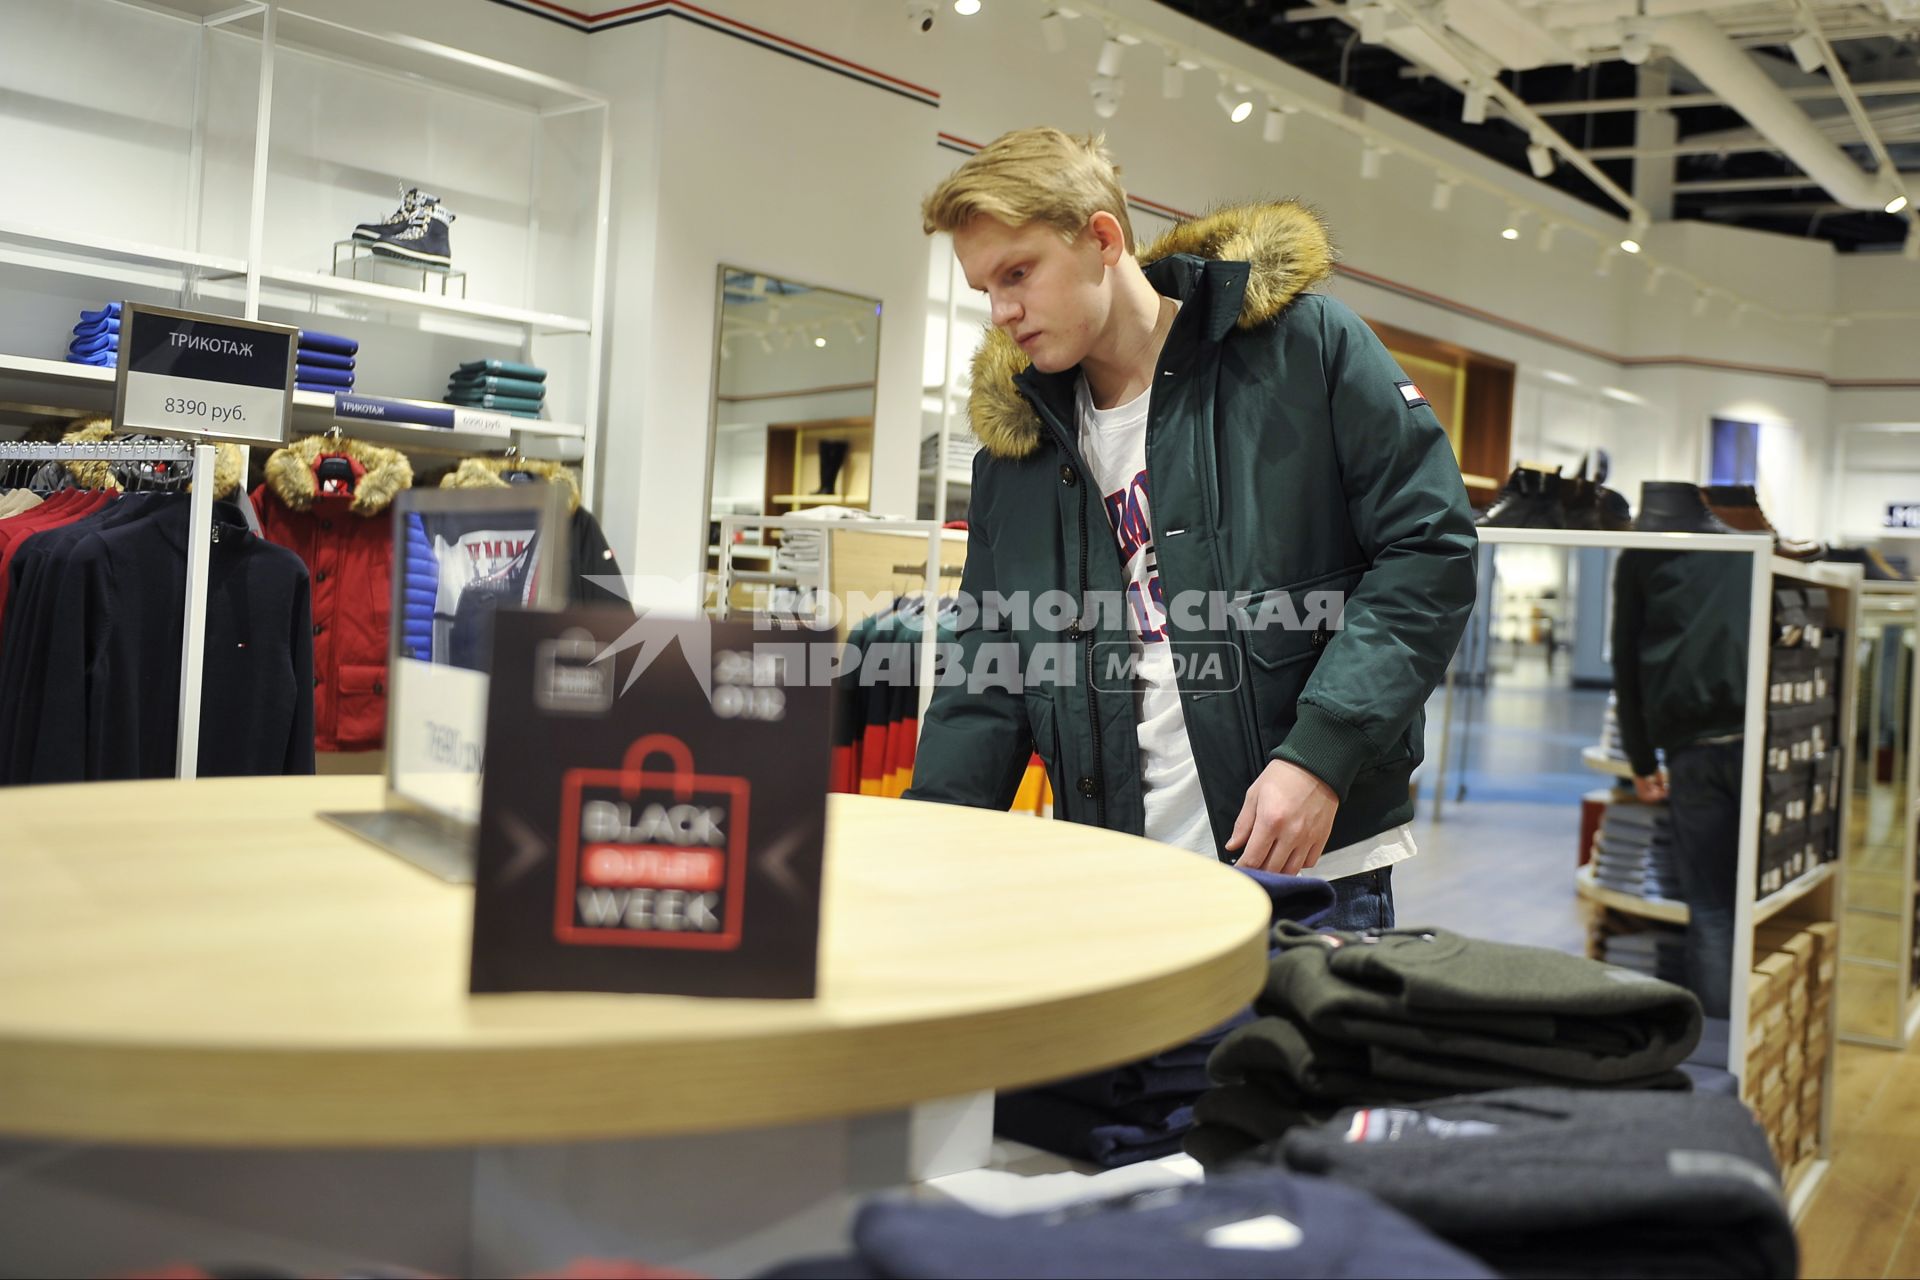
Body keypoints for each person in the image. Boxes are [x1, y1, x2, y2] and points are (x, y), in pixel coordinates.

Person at [902, 128, 1477, 929]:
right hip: (1113, 878)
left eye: (1018, 274)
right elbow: (987, 674)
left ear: (1103, 237)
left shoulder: (1301, 350)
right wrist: (922, 850)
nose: (1002, 313)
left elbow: (1427, 550)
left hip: (1305, 872)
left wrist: (1322, 756)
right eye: (984, 289)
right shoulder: (1018, 454)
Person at [1611, 546, 1751, 1020]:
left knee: (1712, 908)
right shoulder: (1750, 546)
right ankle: (1748, 1042)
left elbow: (1626, 658)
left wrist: (1641, 757)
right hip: (1765, 744)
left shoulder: (1645, 553)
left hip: (1693, 746)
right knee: (1751, 899)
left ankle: (1717, 1050)